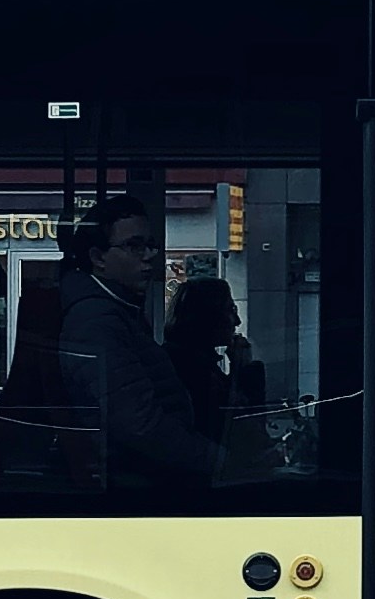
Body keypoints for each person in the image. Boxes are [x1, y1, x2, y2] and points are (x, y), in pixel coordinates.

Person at [51, 198, 214, 498]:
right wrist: (218, 462)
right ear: (98, 257)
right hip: (134, 487)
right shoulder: (96, 321)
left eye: (150, 245)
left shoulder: (115, 311)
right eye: (134, 246)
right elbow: (139, 424)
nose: (149, 256)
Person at [164, 269, 266, 449]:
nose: (237, 321)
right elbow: (242, 429)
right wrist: (243, 370)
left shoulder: (194, 362)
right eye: (230, 311)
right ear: (208, 316)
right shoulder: (192, 371)